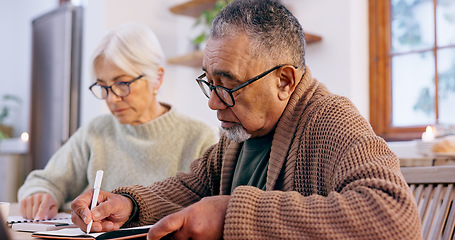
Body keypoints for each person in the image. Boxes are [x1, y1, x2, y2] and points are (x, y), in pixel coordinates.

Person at [71, 1, 422, 239]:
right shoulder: (240, 132)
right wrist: (128, 204)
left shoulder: (331, 120)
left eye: (228, 85)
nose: (212, 102)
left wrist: (231, 216)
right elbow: (193, 188)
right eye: (209, 82)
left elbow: (394, 217)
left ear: (284, 81)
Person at [17, 22, 218, 221]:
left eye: (122, 84)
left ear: (157, 78)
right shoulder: (97, 131)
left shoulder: (200, 137)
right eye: (103, 86)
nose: (112, 99)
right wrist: (41, 194)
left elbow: (210, 213)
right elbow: (46, 180)